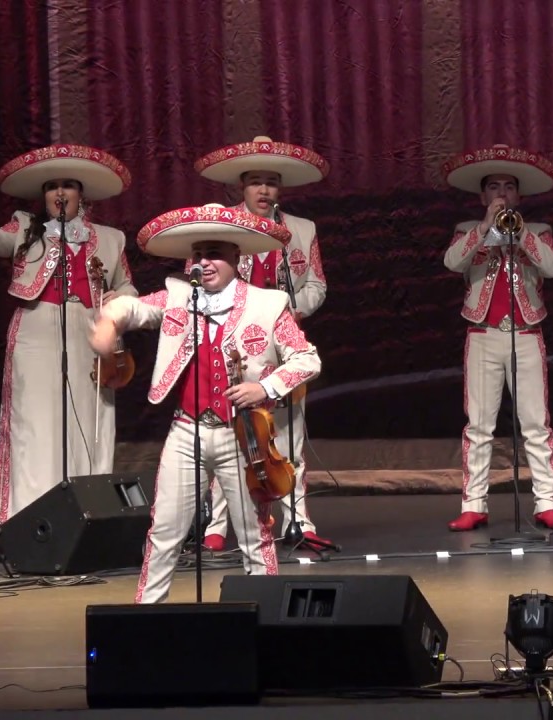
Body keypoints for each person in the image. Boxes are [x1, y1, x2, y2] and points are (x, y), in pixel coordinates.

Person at [90, 204, 320, 602]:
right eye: (198, 254)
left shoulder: (268, 304)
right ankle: (145, 617)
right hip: (187, 431)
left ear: (236, 257)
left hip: (241, 436)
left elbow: (307, 359)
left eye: (214, 253)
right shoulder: (179, 297)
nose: (204, 262)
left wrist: (265, 388)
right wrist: (111, 318)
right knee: (163, 533)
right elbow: (135, 307)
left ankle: (265, 619)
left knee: (255, 535)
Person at [0, 145, 137, 524]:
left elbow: (127, 286)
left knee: (90, 421)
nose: (59, 193)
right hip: (37, 330)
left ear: (81, 193)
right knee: (35, 424)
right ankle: (30, 519)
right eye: (51, 186)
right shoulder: (25, 228)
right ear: (44, 196)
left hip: (91, 332)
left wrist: (120, 298)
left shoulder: (111, 238)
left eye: (68, 185)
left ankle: (88, 515)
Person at [192, 136, 333, 553]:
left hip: (283, 341)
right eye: (256, 181)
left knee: (288, 439)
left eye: (271, 181)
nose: (264, 190)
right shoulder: (221, 224)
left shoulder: (303, 229)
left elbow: (317, 285)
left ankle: (299, 522)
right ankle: (218, 525)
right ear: (242, 186)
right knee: (229, 435)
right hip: (232, 342)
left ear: (280, 187)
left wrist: (284, 308)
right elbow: (199, 278)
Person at [441, 144, 553, 532]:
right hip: (482, 334)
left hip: (527, 333)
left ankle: (547, 503)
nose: (501, 193)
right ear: (483, 196)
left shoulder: (539, 231)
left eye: (508, 187)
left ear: (519, 195)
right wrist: (484, 227)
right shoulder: (466, 230)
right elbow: (452, 263)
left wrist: (521, 232)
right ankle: (474, 504)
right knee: (478, 426)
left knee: (536, 425)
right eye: (494, 187)